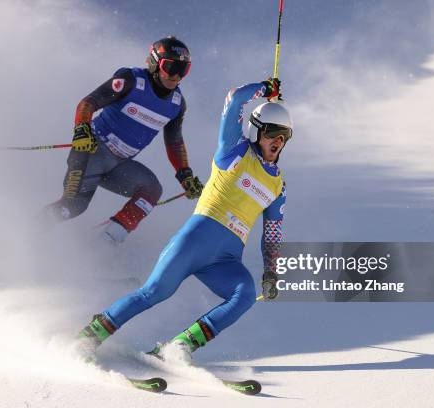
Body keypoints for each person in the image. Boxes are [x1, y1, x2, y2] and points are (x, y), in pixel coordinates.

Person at [78, 77, 291, 358]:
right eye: (272, 133)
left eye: (284, 136)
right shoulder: (234, 150)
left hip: (225, 259)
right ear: (255, 130)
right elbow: (235, 98)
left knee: (245, 295)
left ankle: (180, 347)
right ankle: (90, 335)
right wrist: (264, 89)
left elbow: (272, 232)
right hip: (194, 241)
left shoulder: (278, 185)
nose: (277, 141)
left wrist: (271, 272)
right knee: (153, 293)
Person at [44, 36, 203, 244]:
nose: (175, 76)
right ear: (155, 63)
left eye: (183, 70)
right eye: (170, 67)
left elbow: (174, 142)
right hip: (91, 152)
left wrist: (185, 175)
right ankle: (25, 238)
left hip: (119, 165)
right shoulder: (130, 81)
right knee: (74, 206)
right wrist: (82, 129)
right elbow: (88, 103)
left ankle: (104, 245)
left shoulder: (176, 104)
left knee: (152, 191)